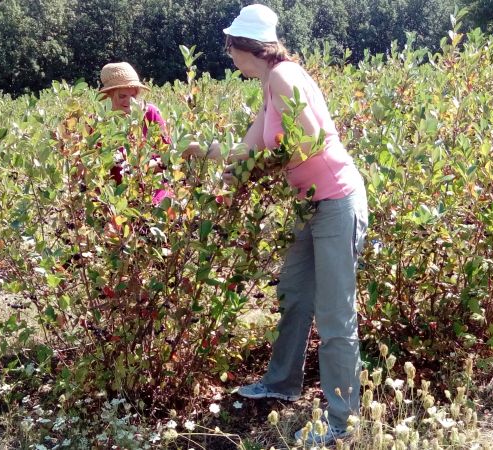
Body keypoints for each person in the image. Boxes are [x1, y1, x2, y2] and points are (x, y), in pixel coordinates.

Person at [209, 4, 369, 446]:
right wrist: (209, 156)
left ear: (244, 47)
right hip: (310, 205)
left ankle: (342, 423)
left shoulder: (283, 76)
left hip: (336, 200)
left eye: (229, 48)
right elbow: (247, 149)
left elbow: (310, 138)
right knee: (294, 293)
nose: (228, 56)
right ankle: (281, 383)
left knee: (335, 315)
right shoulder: (269, 83)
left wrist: (260, 167)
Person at [98, 62, 171, 198]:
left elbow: (168, 156)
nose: (129, 101)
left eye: (133, 96)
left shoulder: (150, 113)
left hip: (154, 192)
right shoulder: (98, 123)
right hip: (117, 198)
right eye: (122, 96)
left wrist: (141, 167)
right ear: (109, 96)